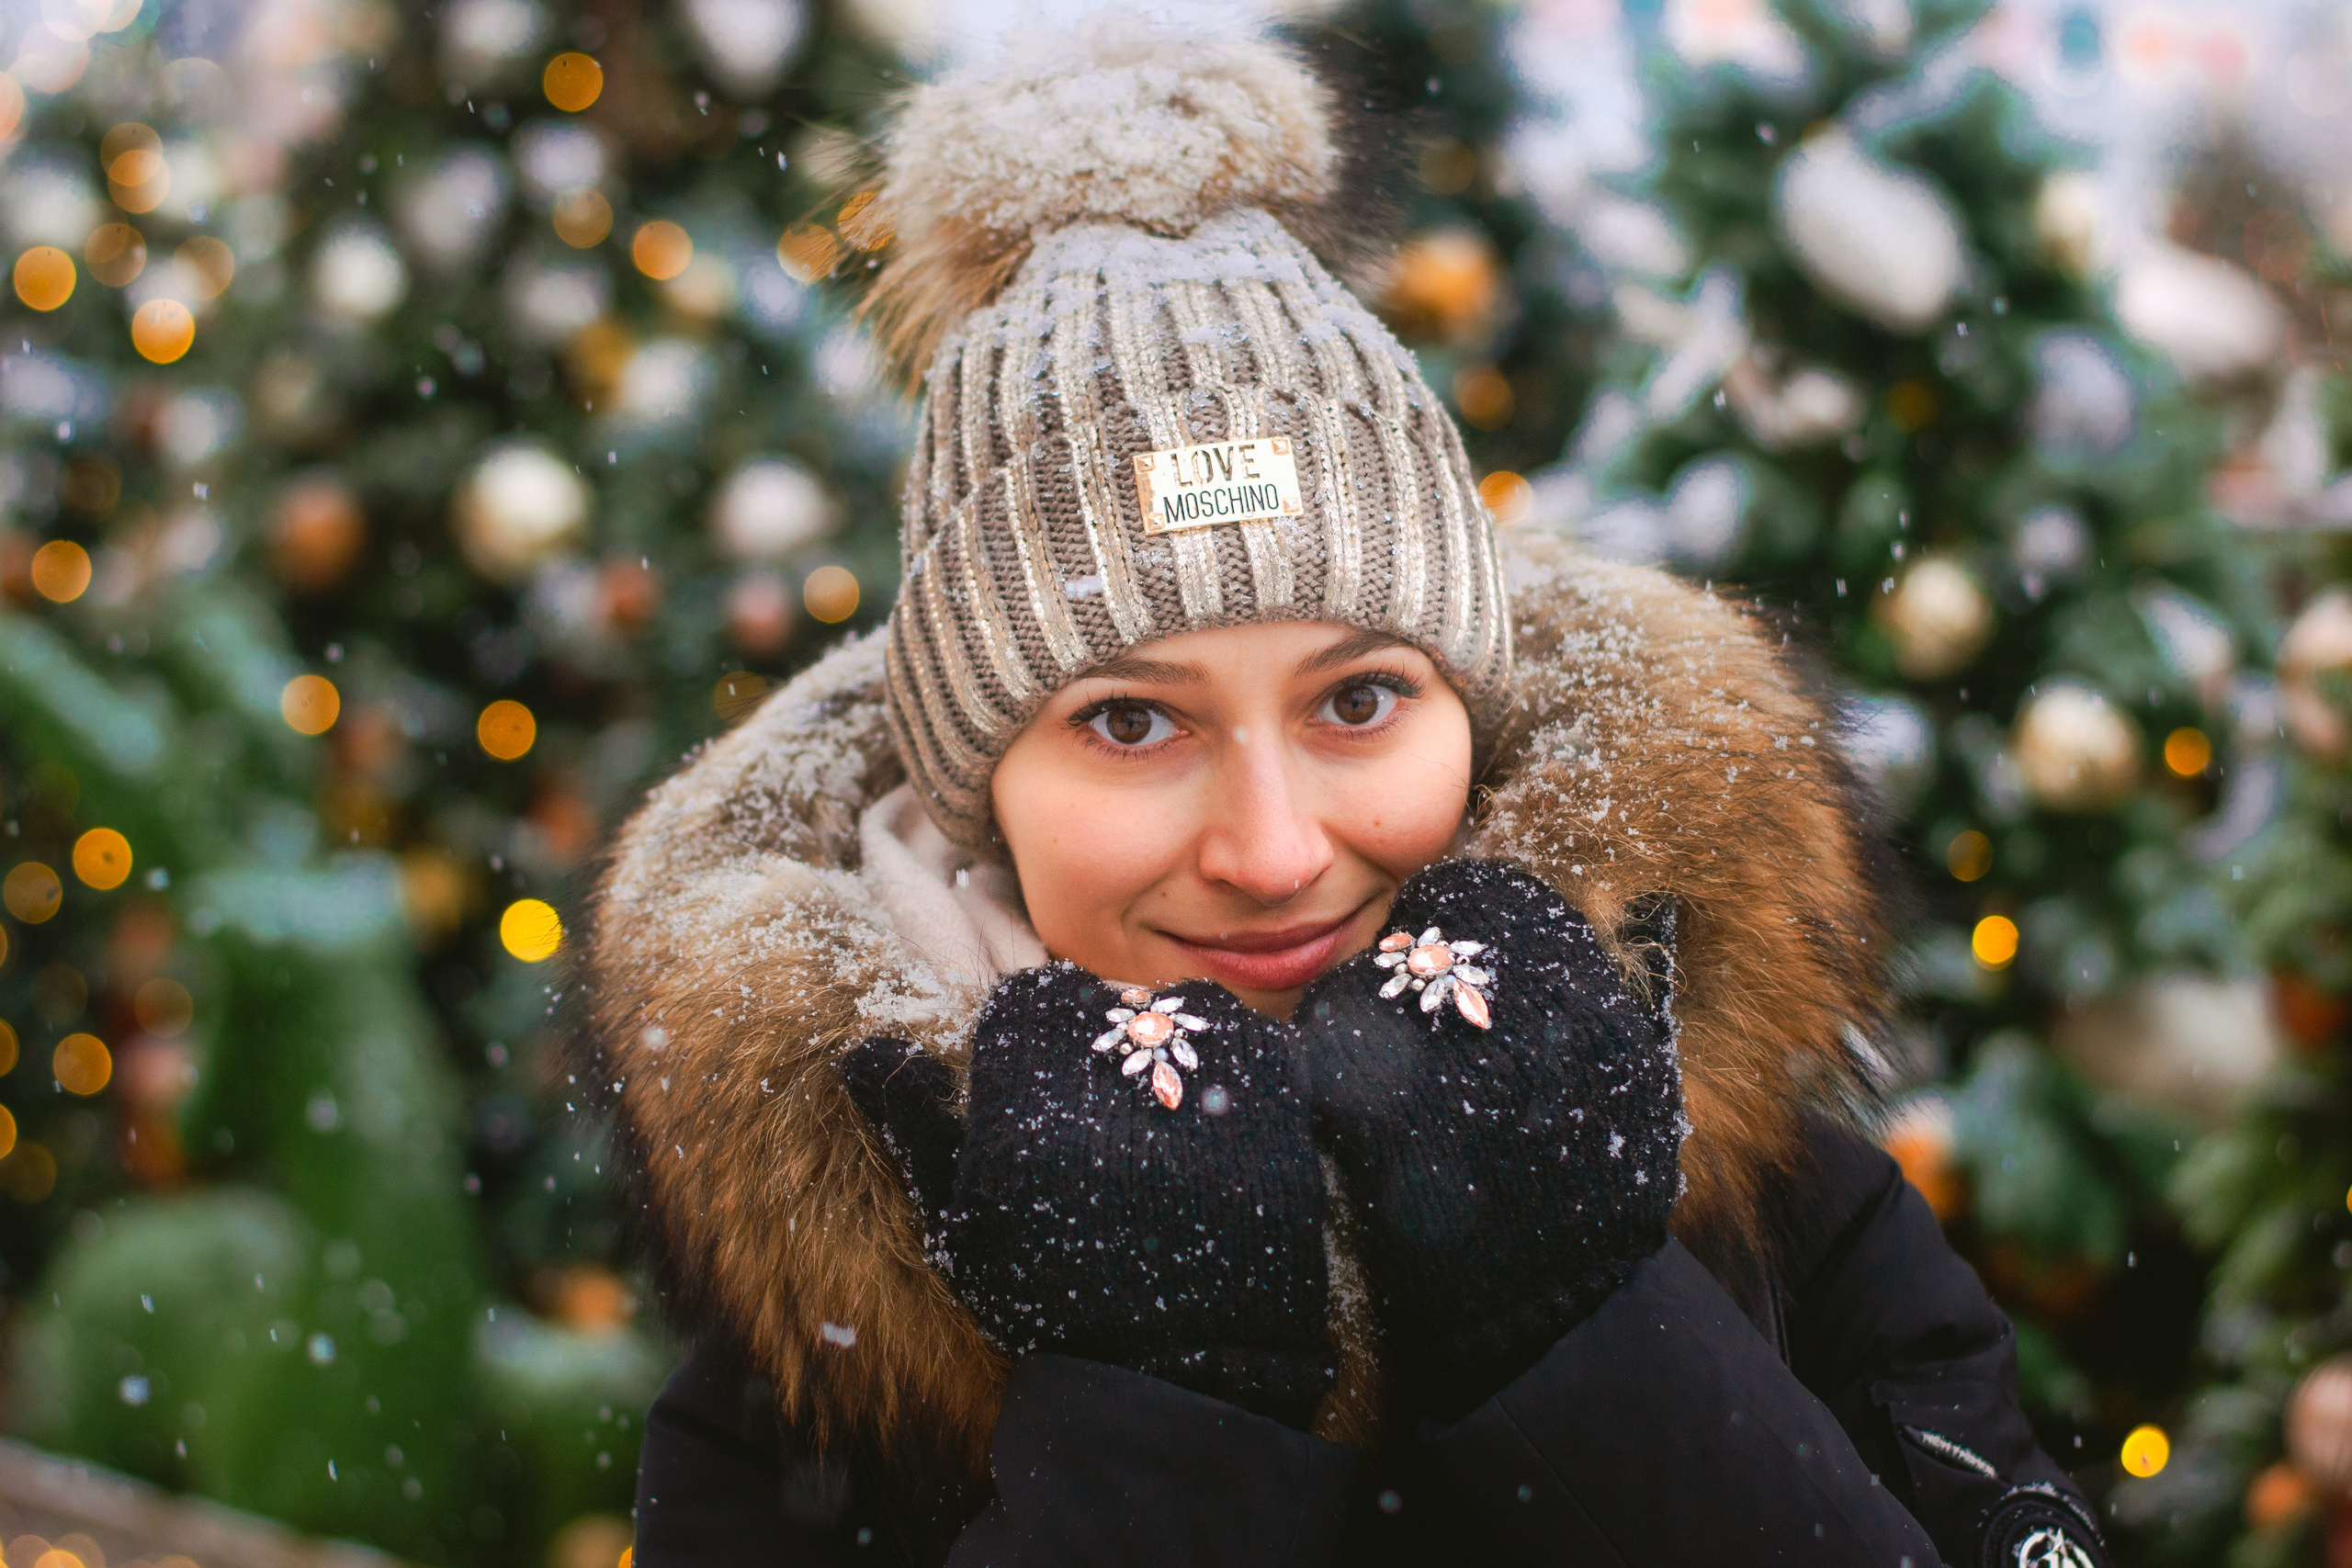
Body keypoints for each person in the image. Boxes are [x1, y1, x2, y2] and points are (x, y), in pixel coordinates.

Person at [581, 23, 2109, 1567]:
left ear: (1473, 709)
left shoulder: (1787, 1215)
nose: (1274, 848)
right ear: (979, 791)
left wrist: (1578, 1332)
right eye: (1127, 722)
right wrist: (1155, 1422)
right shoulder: (813, 1373)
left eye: (1360, 701)